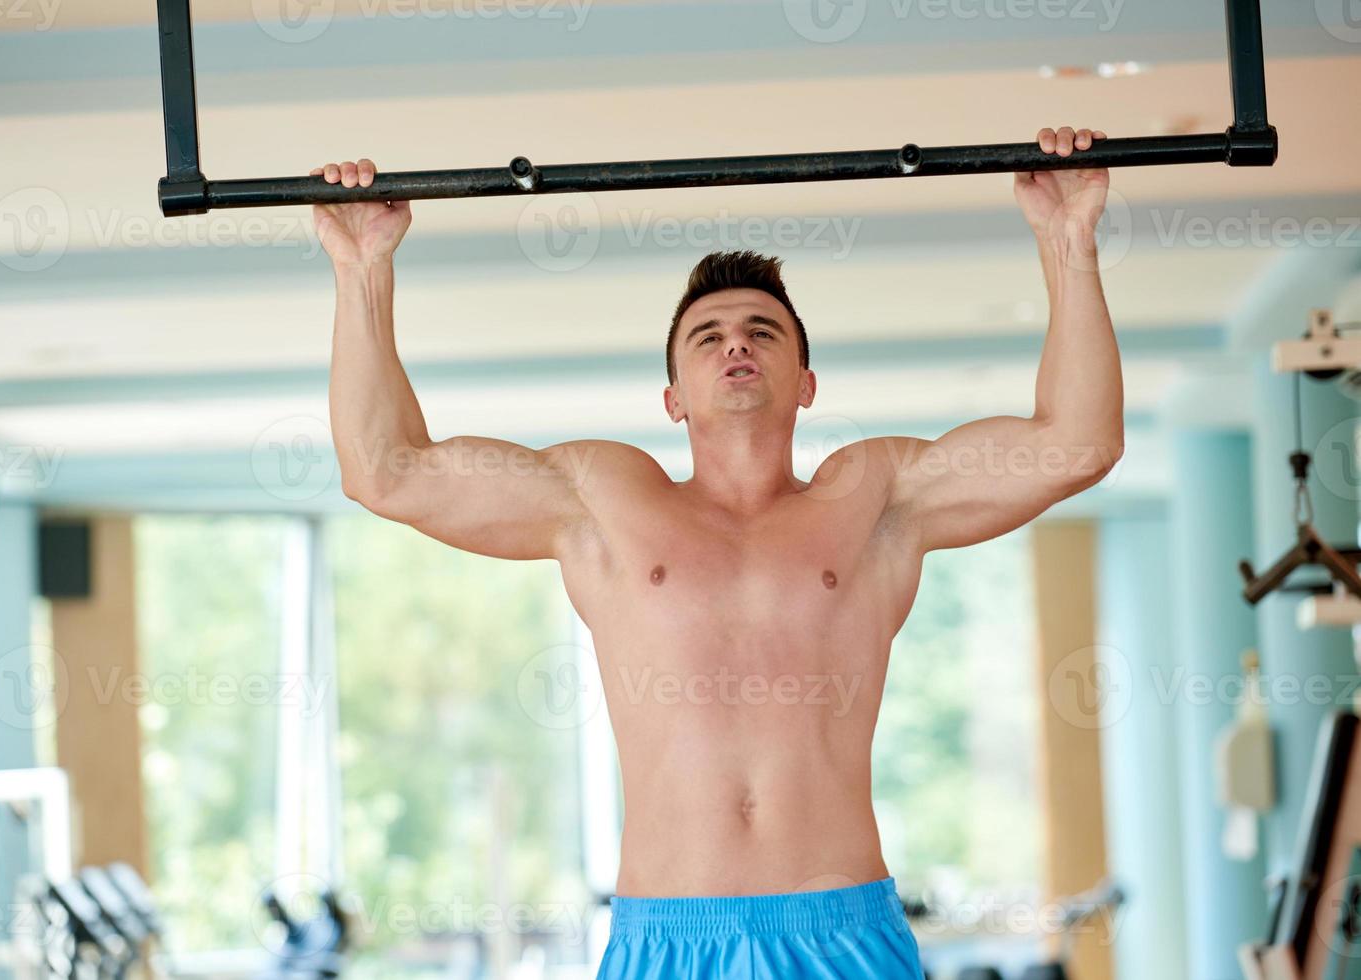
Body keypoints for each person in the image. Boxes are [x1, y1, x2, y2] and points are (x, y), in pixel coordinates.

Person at [312, 125, 1122, 979]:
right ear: (672, 397)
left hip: (840, 933)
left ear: (807, 385)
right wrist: (362, 269)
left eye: (764, 332)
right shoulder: (604, 502)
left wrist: (1068, 239)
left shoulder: (874, 500)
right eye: (708, 336)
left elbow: (1077, 444)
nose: (736, 342)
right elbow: (386, 471)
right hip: (668, 937)